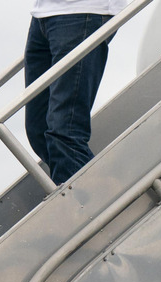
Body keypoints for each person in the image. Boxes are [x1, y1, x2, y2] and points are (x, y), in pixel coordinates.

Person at [24, 0, 128, 185]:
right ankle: (101, 190)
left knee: (65, 130)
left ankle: (85, 200)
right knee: (38, 130)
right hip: (43, 15)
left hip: (83, 12)